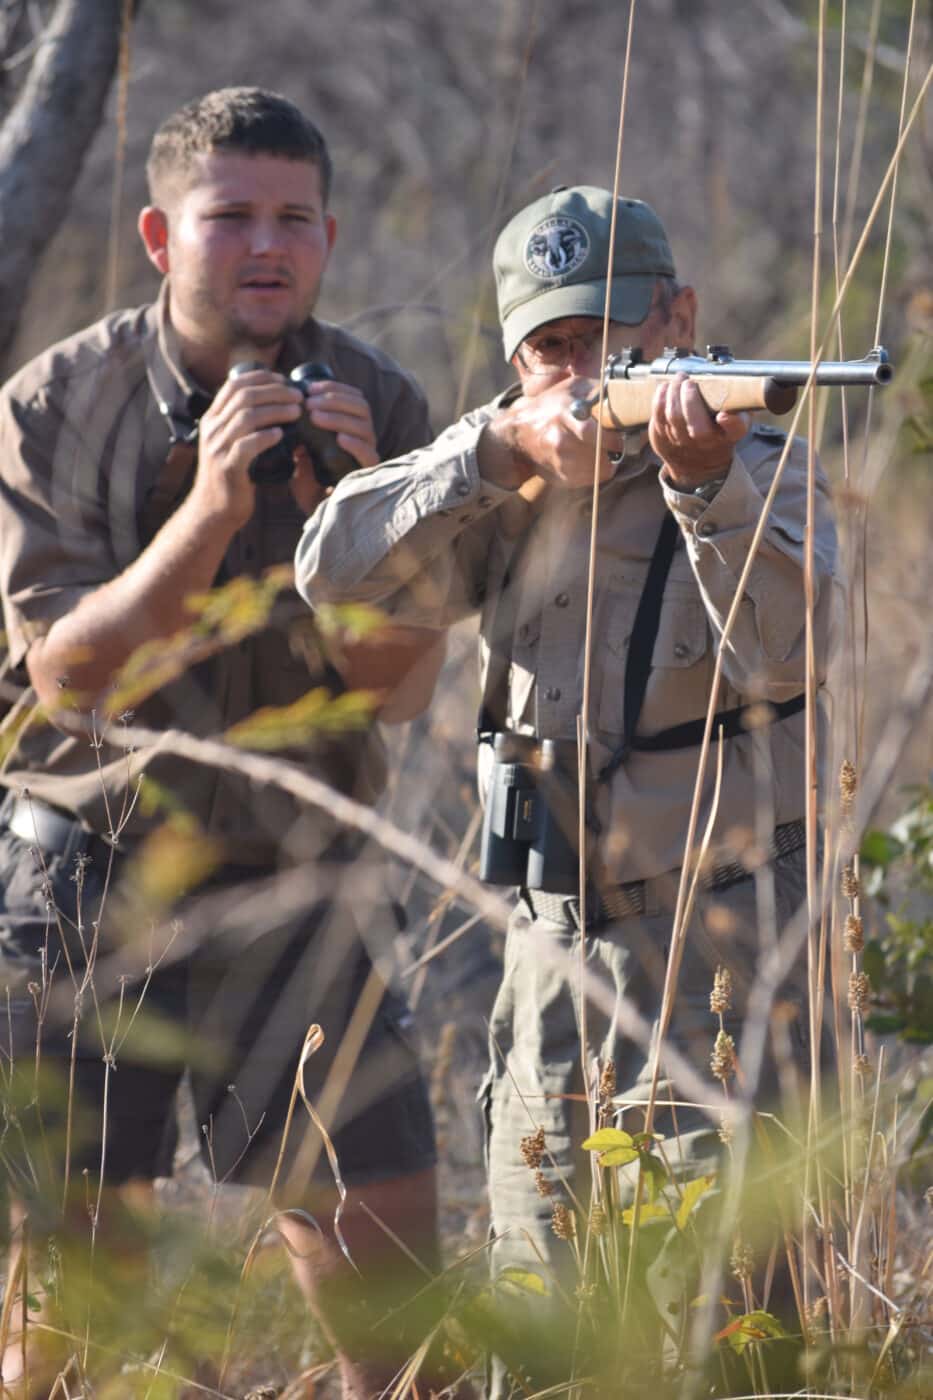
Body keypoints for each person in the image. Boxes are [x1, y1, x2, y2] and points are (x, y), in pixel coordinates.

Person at [295, 186, 838, 1392]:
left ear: (679, 317)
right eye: (554, 345)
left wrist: (702, 489)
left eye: (612, 333)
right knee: (539, 1324)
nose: (586, 366)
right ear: (516, 358)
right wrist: (500, 447)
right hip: (546, 956)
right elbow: (328, 570)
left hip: (725, 960)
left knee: (733, 1339)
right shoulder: (507, 478)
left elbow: (790, 649)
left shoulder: (763, 466)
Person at [0, 87, 450, 1397]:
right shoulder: (58, 403)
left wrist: (355, 524)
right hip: (95, 881)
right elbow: (69, 672)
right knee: (63, 1338)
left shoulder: (377, 395)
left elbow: (398, 690)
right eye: (231, 216)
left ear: (328, 235)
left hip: (301, 877)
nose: (266, 246)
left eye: (294, 219)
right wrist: (208, 507)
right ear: (159, 235)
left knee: (402, 1330)